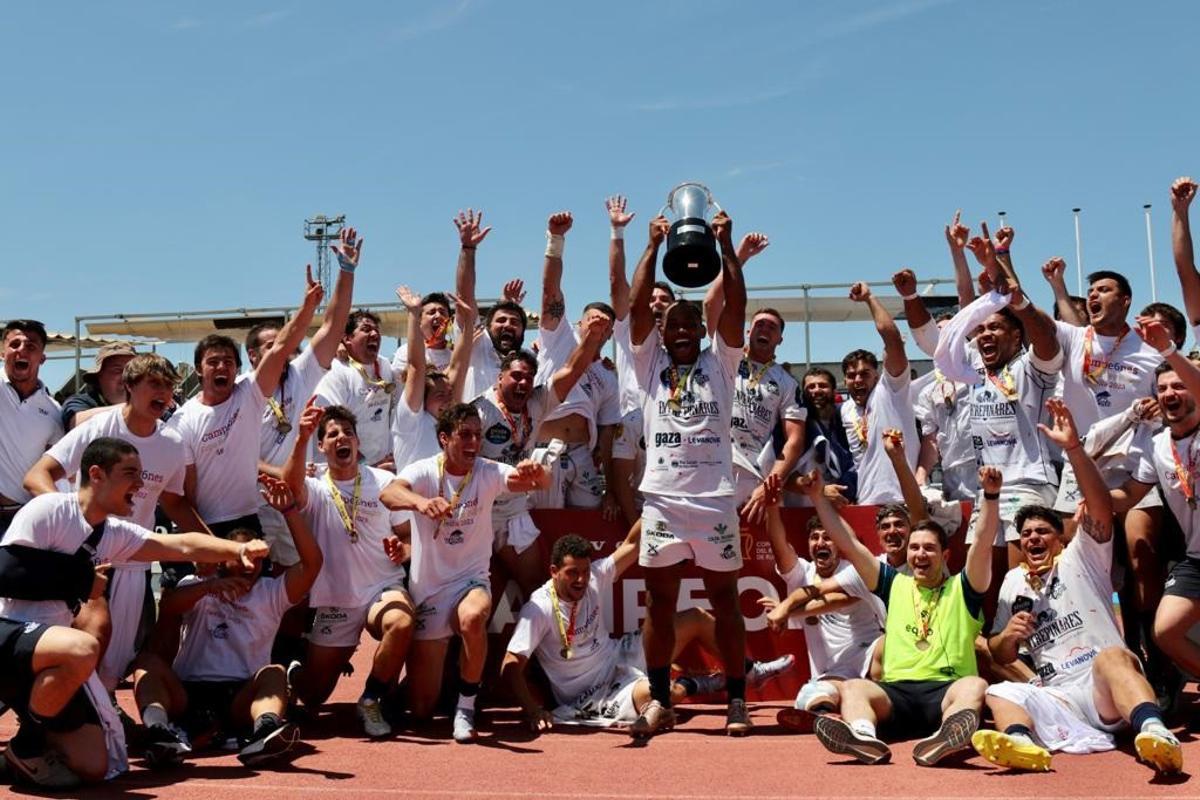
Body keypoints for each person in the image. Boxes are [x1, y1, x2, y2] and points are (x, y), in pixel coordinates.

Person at [0, 437, 269, 785]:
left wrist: (236, 548)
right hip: (10, 637)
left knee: (96, 764)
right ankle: (27, 744)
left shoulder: (113, 533)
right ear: (96, 474)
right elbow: (5, 573)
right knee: (83, 648)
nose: (141, 486)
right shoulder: (50, 509)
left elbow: (180, 544)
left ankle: (11, 760)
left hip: (52, 659)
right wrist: (80, 579)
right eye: (130, 474)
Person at [973, 398, 1182, 774]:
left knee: (1113, 656)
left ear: (1061, 539)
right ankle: (1021, 743)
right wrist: (1009, 636)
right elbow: (1001, 656)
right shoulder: (1012, 582)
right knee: (999, 691)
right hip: (1058, 696)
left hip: (1104, 687)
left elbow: (1101, 508)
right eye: (1025, 534)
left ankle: (1155, 732)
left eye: (1042, 532)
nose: (1032, 538)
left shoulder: (1081, 557)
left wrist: (1072, 448)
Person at [627, 209, 752, 736]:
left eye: (689, 325)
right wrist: (651, 246)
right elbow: (634, 307)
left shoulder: (720, 364)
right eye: (671, 324)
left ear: (701, 330)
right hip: (663, 501)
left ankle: (738, 699)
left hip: (715, 501)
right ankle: (659, 700)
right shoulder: (648, 364)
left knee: (724, 602)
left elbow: (737, 305)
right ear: (662, 331)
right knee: (659, 602)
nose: (680, 331)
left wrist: (726, 245)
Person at [25, 354, 209, 693]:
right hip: (85, 560)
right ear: (129, 386)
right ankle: (53, 723)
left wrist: (213, 551)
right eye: (154, 383)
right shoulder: (99, 429)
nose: (164, 393)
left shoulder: (172, 444)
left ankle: (98, 714)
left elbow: (174, 502)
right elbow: (38, 476)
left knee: (115, 663)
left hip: (132, 566)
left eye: (169, 385)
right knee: (80, 644)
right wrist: (72, 524)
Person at [793, 463, 997, 766]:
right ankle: (863, 737)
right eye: (915, 548)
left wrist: (990, 497)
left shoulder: (964, 588)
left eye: (929, 548)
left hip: (945, 691)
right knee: (853, 687)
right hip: (897, 692)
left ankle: (945, 737)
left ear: (945, 555)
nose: (919, 554)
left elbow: (981, 544)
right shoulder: (892, 583)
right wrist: (818, 499)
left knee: (975, 685)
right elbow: (848, 544)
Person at [502, 533, 793, 731]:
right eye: (572, 573)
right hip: (592, 693)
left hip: (619, 655)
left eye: (584, 571)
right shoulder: (538, 608)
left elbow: (632, 542)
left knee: (695, 617)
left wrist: (659, 497)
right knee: (660, 698)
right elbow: (510, 667)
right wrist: (533, 710)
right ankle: (697, 685)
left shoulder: (596, 576)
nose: (581, 579)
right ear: (554, 571)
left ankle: (746, 671)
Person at [381, 403, 551, 742]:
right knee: (422, 710)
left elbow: (528, 481)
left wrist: (537, 472)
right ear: (445, 439)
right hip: (429, 590)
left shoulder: (488, 471)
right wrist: (420, 503)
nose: (475, 441)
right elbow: (388, 493)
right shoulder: (424, 470)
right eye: (466, 435)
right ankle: (400, 692)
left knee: (474, 618)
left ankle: (466, 707)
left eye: (478, 435)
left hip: (470, 580)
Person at [131, 474, 321, 767]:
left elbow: (312, 564)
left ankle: (265, 732)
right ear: (223, 557)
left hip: (241, 695)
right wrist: (208, 588)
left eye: (258, 559)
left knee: (275, 672)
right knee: (147, 663)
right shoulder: (196, 584)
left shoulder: (271, 593)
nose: (251, 565)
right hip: (188, 692)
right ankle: (158, 732)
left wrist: (289, 511)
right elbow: (168, 607)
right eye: (242, 555)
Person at [282, 401, 415, 740]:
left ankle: (371, 698)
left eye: (348, 433)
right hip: (336, 600)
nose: (342, 438)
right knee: (312, 698)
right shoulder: (316, 488)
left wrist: (403, 551)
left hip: (381, 588)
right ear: (323, 446)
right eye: (332, 434)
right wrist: (300, 439)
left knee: (400, 622)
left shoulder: (385, 482)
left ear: (357, 442)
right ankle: (294, 669)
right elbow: (289, 487)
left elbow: (409, 539)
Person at [933, 258, 1062, 568]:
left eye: (996, 328)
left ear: (1017, 336)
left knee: (1027, 585)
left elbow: (1045, 336)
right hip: (987, 493)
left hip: (1030, 487)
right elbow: (966, 309)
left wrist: (1006, 276)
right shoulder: (973, 371)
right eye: (982, 330)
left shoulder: (1031, 369)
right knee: (981, 588)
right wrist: (956, 251)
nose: (985, 334)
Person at [173, 270, 322, 537]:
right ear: (198, 369)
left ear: (239, 368)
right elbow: (187, 490)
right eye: (213, 362)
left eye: (229, 362)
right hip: (207, 524)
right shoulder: (183, 419)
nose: (222, 367)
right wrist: (199, 539)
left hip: (249, 520)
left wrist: (307, 307)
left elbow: (281, 347)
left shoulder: (249, 394)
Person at [474, 318, 608, 594]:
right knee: (469, 590)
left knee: (537, 586)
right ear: (500, 377)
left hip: (512, 510)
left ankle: (539, 635)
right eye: (516, 376)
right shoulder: (479, 410)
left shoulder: (536, 402)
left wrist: (591, 339)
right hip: (476, 510)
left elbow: (572, 370)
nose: (523, 383)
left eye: (529, 378)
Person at [251, 228, 357, 567]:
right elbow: (237, 457)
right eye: (273, 346)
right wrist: (282, 471)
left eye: (288, 345)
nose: (284, 351)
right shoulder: (240, 391)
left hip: (294, 499)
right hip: (252, 506)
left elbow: (333, 326)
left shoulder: (297, 375)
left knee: (299, 584)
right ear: (253, 356)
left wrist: (347, 272)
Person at [1115, 321, 1200, 691]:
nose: (1169, 393)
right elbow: (1130, 494)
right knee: (1165, 631)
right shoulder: (1157, 443)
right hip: (1197, 558)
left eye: (1178, 385)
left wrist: (1168, 351)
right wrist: (1093, 497)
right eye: (1162, 387)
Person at [760, 503, 884, 726]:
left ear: (840, 545)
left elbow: (837, 599)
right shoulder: (803, 573)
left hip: (868, 657)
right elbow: (779, 547)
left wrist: (786, 610)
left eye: (828, 537)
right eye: (814, 537)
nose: (820, 543)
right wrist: (772, 508)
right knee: (811, 694)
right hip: (835, 674)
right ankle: (825, 715)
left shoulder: (853, 570)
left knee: (887, 646)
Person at [535, 210, 622, 511]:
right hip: (546, 450)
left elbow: (608, 433)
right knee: (545, 524)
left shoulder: (609, 377)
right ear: (578, 323)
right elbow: (550, 292)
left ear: (610, 333)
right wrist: (555, 240)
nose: (598, 325)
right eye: (592, 319)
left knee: (586, 528)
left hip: (584, 456)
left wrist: (611, 488)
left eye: (605, 323)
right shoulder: (559, 337)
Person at [838, 282, 918, 506]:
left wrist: (869, 298)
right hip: (864, 501)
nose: (858, 380)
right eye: (852, 375)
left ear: (877, 375)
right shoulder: (844, 410)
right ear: (844, 380)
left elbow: (891, 339)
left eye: (865, 374)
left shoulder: (890, 391)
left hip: (904, 498)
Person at [392, 285, 475, 471]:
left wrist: (469, 322)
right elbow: (416, 366)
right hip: (413, 498)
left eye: (448, 394)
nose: (448, 399)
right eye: (439, 395)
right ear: (423, 397)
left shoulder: (449, 420)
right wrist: (413, 313)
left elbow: (457, 367)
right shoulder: (411, 418)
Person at [453, 208, 532, 401]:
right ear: (488, 327)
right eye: (501, 320)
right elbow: (465, 296)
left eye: (515, 322)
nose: (507, 325)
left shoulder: (527, 360)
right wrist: (468, 249)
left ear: (523, 330)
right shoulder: (478, 343)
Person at [313, 308, 398, 470]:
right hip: (349, 468)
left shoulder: (385, 365)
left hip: (383, 465)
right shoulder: (336, 371)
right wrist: (365, 467)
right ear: (347, 339)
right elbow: (332, 426)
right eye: (366, 329)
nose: (374, 334)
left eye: (376, 330)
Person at [0, 320, 64, 533]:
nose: (21, 350)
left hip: (20, 518)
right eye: (14, 344)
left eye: (31, 346)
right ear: (2, 353)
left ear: (42, 358)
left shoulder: (54, 412)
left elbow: (57, 466)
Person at [791, 366, 857, 506]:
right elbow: (780, 472)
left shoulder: (845, 424)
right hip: (802, 509)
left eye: (822, 386)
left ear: (834, 391)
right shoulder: (796, 425)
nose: (816, 390)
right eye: (811, 387)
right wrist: (820, 490)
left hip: (842, 507)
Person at [60, 343, 137, 430]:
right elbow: (76, 423)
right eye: (117, 370)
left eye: (133, 371)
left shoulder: (147, 402)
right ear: (98, 376)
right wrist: (133, 408)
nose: (127, 376)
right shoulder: (81, 402)